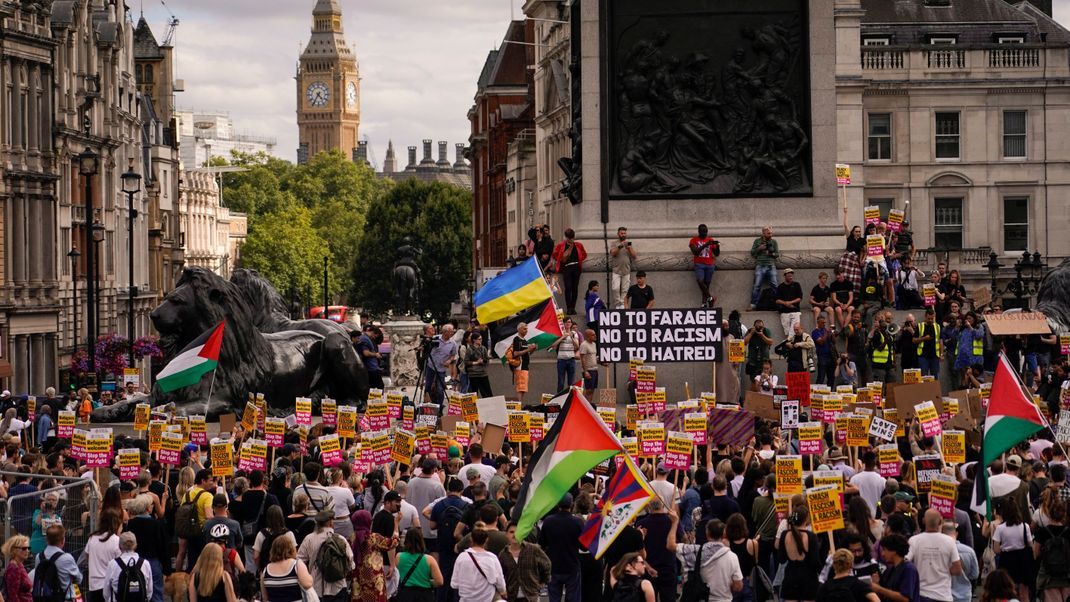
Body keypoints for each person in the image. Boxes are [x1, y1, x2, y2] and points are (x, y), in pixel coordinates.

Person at [667, 514, 745, 602]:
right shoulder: (732, 557)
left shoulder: (695, 551)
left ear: (707, 533)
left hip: (701, 598)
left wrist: (674, 523)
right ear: (724, 533)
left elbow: (670, 545)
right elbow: (738, 586)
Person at [296, 510, 354, 602]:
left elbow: (299, 562)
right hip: (338, 586)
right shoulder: (340, 539)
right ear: (330, 522)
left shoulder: (309, 539)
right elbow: (351, 563)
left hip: (316, 588)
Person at [907, 510, 962, 602]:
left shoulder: (914, 540)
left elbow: (906, 562)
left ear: (923, 521)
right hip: (943, 596)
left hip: (921, 594)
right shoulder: (949, 541)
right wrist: (944, 569)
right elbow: (957, 570)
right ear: (940, 522)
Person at [539, 494, 583, 602]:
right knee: (573, 598)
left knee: (554, 598)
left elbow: (542, 543)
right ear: (572, 504)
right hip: (572, 565)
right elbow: (584, 546)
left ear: (558, 504)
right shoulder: (577, 522)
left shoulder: (549, 521)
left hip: (554, 565)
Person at [125, 495, 167, 602]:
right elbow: (162, 546)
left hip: (135, 561)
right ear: (148, 508)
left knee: (135, 592)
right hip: (152, 561)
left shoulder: (131, 524)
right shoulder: (156, 524)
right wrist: (166, 568)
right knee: (156, 592)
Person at [992, 498, 1034, 602]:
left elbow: (996, 549)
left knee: (1007, 592)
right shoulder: (1025, 526)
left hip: (1007, 560)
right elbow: (1030, 544)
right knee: (1024, 593)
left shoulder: (1000, 528)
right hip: (1023, 560)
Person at [498, 522, 551, 602]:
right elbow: (500, 575)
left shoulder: (533, 549)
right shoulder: (503, 554)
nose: (514, 535)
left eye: (518, 532)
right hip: (512, 597)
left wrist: (542, 583)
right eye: (511, 532)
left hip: (531, 597)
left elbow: (547, 565)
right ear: (506, 535)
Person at [449, 527, 505, 602]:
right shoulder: (492, 558)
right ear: (486, 540)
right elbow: (500, 582)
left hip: (466, 599)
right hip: (487, 598)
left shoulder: (461, 557)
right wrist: (502, 591)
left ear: (471, 540)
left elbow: (454, 584)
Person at [351, 509, 394, 602]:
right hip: (375, 580)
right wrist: (397, 525)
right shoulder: (374, 537)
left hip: (357, 579)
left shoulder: (352, 538)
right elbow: (393, 543)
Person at [393, 528, 444, 602]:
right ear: (421, 541)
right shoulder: (429, 559)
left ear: (406, 541)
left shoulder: (399, 557)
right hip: (424, 595)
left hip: (406, 595)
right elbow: (440, 581)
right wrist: (427, 582)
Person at [83, 509, 123, 602]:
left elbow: (87, 556)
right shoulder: (116, 541)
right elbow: (120, 563)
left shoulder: (92, 538)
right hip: (110, 584)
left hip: (94, 583)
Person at [103, 532, 153, 602]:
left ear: (119, 546)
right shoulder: (145, 564)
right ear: (136, 546)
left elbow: (106, 592)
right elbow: (149, 592)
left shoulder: (113, 564)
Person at [260, 536, 312, 602]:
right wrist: (310, 577)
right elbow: (307, 584)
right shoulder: (297, 564)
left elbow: (265, 598)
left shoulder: (266, 570)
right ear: (291, 549)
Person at [871, 534, 920, 602]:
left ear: (894, 551)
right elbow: (886, 594)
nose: (882, 554)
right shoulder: (891, 569)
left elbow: (905, 598)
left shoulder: (909, 569)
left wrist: (879, 589)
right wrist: (877, 584)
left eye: (885, 550)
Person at [551, 228, 587, 315]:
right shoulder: (561, 245)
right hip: (566, 268)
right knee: (568, 287)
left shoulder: (578, 245)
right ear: (566, 237)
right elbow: (555, 255)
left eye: (572, 237)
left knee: (575, 288)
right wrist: (564, 255)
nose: (570, 239)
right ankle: (568, 308)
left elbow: (584, 254)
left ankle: (573, 308)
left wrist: (579, 260)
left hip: (576, 267)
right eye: (569, 237)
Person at [941, 521, 977, 602]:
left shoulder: (939, 551)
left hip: (945, 595)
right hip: (964, 595)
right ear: (956, 533)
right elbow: (975, 575)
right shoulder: (969, 551)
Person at [690, 223, 720, 307]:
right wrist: (706, 244)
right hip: (699, 264)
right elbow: (695, 252)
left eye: (706, 232)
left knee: (706, 285)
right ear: (699, 232)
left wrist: (717, 247)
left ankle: (704, 303)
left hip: (710, 265)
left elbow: (717, 254)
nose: (705, 234)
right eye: (703, 232)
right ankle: (710, 298)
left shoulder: (710, 239)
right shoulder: (693, 240)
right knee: (700, 281)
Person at [750, 226, 780, 309]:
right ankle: (753, 304)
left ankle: (778, 303)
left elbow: (777, 254)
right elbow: (752, 253)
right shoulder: (757, 241)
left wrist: (770, 254)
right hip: (760, 265)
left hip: (771, 265)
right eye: (768, 233)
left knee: (775, 285)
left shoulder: (774, 242)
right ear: (763, 233)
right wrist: (759, 248)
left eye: (771, 233)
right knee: (757, 285)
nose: (771, 235)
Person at [609, 226, 637, 309]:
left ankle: (622, 304)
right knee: (615, 288)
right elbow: (613, 253)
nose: (623, 235)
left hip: (626, 270)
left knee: (625, 289)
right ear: (618, 234)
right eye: (622, 233)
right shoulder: (614, 243)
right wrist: (620, 246)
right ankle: (618, 304)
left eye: (625, 233)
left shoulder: (629, 243)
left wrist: (629, 248)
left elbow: (634, 256)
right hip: (616, 270)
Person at [550, 319, 581, 393]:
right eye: (566, 322)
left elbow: (577, 346)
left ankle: (570, 399)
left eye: (569, 322)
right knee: (561, 382)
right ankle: (559, 399)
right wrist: (562, 337)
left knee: (571, 382)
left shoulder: (574, 333)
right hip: (561, 360)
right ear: (563, 323)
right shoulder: (559, 333)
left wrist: (572, 338)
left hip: (571, 360)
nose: (568, 323)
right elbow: (553, 345)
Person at [509, 323, 537, 403]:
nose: (526, 330)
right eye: (524, 329)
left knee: (523, 387)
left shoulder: (524, 340)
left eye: (527, 329)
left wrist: (532, 349)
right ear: (519, 329)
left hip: (525, 365)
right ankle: (519, 405)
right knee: (520, 387)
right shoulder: (517, 339)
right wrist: (528, 349)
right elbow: (516, 353)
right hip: (520, 366)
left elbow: (527, 353)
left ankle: (520, 403)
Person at [2, 535, 32, 602]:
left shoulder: (19, 564)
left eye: (28, 548)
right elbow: (13, 596)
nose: (27, 551)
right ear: (14, 550)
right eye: (24, 548)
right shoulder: (14, 568)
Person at [914, 309, 942, 379]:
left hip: (935, 356)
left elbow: (940, 340)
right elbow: (914, 340)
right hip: (923, 356)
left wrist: (941, 354)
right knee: (923, 377)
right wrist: (924, 338)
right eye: (928, 318)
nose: (930, 320)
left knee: (935, 376)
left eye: (932, 319)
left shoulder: (937, 326)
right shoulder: (920, 326)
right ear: (925, 317)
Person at [776, 268, 804, 337]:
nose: (790, 277)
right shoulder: (780, 287)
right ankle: (789, 345)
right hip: (784, 312)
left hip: (795, 311)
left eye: (791, 275)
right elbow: (777, 300)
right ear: (785, 276)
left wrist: (790, 302)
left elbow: (799, 298)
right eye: (789, 276)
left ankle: (790, 344)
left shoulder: (797, 285)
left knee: (794, 330)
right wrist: (785, 303)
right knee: (787, 332)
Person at [464, 332, 493, 398]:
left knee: (487, 392)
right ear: (474, 340)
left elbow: (487, 360)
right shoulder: (469, 350)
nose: (481, 340)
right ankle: (474, 406)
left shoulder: (483, 348)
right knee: (474, 393)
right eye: (479, 339)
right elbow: (466, 362)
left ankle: (488, 405)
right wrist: (476, 362)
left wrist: (483, 361)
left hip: (483, 373)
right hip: (473, 374)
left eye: (481, 339)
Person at [356, 325, 385, 391]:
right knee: (379, 388)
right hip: (371, 368)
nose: (374, 338)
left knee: (375, 388)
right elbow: (365, 353)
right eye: (375, 336)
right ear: (372, 332)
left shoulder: (366, 338)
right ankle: (376, 401)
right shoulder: (364, 339)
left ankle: (374, 400)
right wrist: (376, 354)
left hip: (372, 368)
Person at [812, 315, 836, 387]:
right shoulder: (815, 332)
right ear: (818, 323)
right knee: (821, 377)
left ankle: (830, 392)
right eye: (822, 323)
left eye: (825, 323)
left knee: (831, 377)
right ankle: (817, 392)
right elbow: (821, 342)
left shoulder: (826, 330)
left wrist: (833, 335)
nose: (824, 324)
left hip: (830, 356)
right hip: (822, 356)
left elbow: (834, 342)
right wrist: (826, 334)